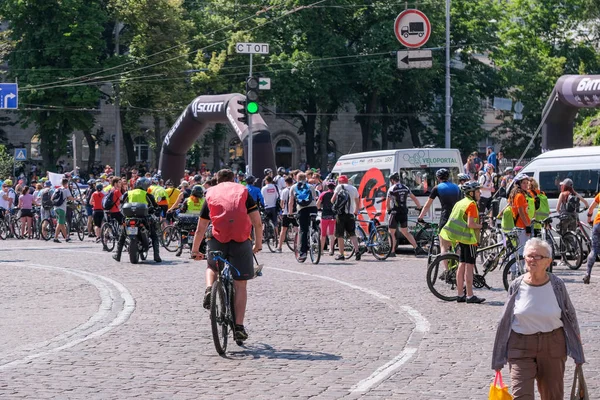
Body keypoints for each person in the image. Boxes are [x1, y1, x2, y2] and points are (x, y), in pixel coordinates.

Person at [492, 238, 584, 399]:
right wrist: (499, 355)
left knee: (552, 396)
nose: (532, 260)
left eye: (537, 257)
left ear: (548, 262)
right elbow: (505, 320)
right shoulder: (516, 285)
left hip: (553, 345)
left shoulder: (557, 285)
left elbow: (570, 315)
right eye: (529, 256)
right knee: (522, 395)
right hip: (520, 345)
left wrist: (577, 346)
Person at [191, 169, 262, 343]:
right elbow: (257, 223)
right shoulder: (243, 192)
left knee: (211, 267)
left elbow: (201, 228)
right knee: (241, 285)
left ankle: (209, 289)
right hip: (241, 240)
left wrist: (195, 251)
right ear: (234, 179)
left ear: (216, 180)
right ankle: (238, 327)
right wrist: (258, 244)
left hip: (217, 238)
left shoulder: (211, 194)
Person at [439, 181, 485, 303]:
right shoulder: (472, 204)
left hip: (460, 239)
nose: (479, 193)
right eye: (477, 191)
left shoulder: (460, 203)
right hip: (469, 240)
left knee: (461, 265)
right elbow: (471, 224)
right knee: (469, 267)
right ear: (471, 193)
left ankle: (460, 294)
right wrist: (480, 226)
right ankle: (470, 295)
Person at [112, 177, 162, 263]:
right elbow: (155, 205)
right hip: (143, 218)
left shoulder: (128, 193)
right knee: (154, 235)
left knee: (122, 236)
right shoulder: (146, 194)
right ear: (145, 186)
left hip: (129, 217)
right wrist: (156, 209)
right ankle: (156, 256)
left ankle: (118, 255)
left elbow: (121, 203)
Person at [418, 168, 460, 259]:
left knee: (443, 245)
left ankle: (446, 271)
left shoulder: (437, 188)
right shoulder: (456, 187)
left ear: (438, 178)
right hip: (458, 216)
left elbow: (427, 205)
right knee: (457, 242)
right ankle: (458, 264)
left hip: (446, 216)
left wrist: (420, 217)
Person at [386, 172, 425, 256]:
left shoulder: (392, 188)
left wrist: (388, 210)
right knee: (405, 231)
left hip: (395, 212)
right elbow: (414, 198)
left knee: (391, 232)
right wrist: (419, 207)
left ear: (392, 180)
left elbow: (387, 202)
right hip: (404, 212)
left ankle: (392, 251)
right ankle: (416, 248)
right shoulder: (405, 187)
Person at [289, 172, 319, 262]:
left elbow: (291, 202)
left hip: (302, 210)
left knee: (303, 230)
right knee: (313, 224)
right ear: (305, 178)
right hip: (313, 208)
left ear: (296, 179)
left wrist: (290, 212)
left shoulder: (293, 187)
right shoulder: (311, 186)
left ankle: (303, 253)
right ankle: (316, 232)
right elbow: (314, 198)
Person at [330, 175, 362, 261]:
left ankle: (341, 254)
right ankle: (357, 251)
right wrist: (355, 211)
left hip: (341, 214)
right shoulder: (354, 188)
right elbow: (357, 201)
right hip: (350, 214)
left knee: (340, 235)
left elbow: (332, 200)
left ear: (340, 181)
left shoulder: (339, 187)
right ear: (347, 181)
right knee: (352, 233)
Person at [583, 192, 600, 284]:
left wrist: (589, 219)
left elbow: (590, 208)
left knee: (594, 250)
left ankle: (587, 274)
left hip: (598, 223)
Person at [276, 177, 297, 253]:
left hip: (286, 213)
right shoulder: (295, 189)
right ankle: (297, 246)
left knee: (283, 230)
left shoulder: (284, 191)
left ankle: (280, 247)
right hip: (295, 212)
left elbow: (282, 203)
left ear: (286, 182)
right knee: (297, 230)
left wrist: (283, 208)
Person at [316, 179, 337, 256]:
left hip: (324, 215)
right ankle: (331, 250)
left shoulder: (323, 194)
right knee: (331, 233)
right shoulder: (336, 194)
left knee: (323, 234)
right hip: (333, 216)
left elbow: (318, 203)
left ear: (327, 186)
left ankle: (321, 250)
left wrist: (319, 209)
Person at [53, 178, 74, 243]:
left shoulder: (57, 189)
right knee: (60, 223)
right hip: (62, 208)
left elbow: (52, 198)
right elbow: (70, 197)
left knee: (61, 224)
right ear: (66, 183)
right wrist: (76, 199)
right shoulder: (66, 189)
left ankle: (66, 237)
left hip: (56, 208)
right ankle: (55, 238)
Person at [261, 175, 280, 240]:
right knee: (275, 222)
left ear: (266, 181)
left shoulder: (263, 188)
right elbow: (277, 196)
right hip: (274, 206)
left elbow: (262, 197)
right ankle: (276, 236)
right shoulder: (275, 187)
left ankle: (264, 236)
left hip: (267, 206)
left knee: (265, 221)